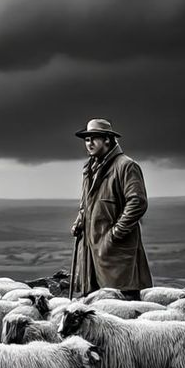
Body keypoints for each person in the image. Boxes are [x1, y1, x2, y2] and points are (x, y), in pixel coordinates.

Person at [70, 118, 152, 299]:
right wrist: (80, 220)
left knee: (123, 308)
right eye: (86, 139)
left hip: (117, 257)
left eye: (94, 138)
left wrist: (115, 233)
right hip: (92, 250)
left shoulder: (126, 166)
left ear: (107, 139)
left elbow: (137, 202)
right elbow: (87, 203)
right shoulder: (89, 168)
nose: (89, 143)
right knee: (95, 308)